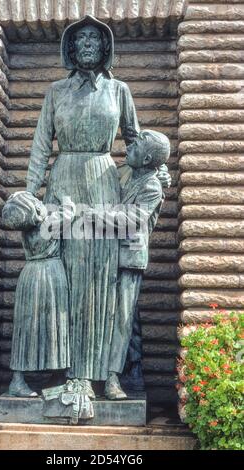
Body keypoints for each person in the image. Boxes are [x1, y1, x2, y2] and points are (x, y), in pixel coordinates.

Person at [25, 15, 141, 399]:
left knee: (104, 280)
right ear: (71, 49)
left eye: (95, 38)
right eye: (81, 39)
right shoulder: (56, 92)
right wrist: (31, 198)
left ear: (106, 47)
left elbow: (135, 144)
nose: (88, 43)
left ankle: (107, 375)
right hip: (63, 185)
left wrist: (156, 172)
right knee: (66, 280)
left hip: (105, 183)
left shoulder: (120, 90)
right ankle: (65, 373)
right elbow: (42, 147)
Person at [106, 130, 171, 398]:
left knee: (122, 318)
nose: (130, 145)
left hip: (130, 259)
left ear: (146, 158)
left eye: (138, 143)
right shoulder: (123, 172)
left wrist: (85, 216)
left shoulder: (152, 186)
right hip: (108, 255)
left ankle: (113, 377)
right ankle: (120, 372)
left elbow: (129, 222)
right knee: (120, 317)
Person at [2, 191, 74, 397]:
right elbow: (69, 214)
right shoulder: (48, 223)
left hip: (30, 276)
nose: (40, 202)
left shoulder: (27, 229)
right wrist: (65, 195)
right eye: (35, 201)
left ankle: (21, 378)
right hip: (50, 275)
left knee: (27, 328)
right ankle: (57, 373)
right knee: (54, 324)